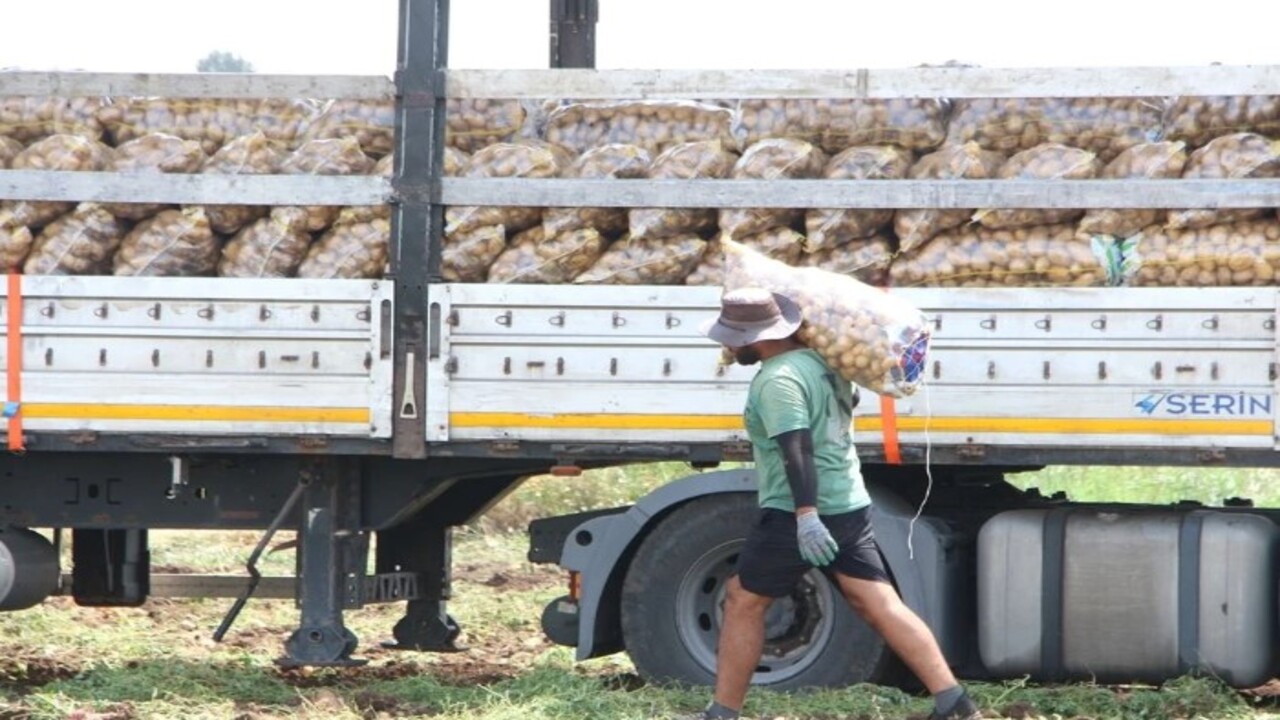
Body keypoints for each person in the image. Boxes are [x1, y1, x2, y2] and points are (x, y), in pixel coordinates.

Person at [690, 287, 981, 720]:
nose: (727, 346)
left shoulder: (778, 380)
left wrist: (806, 517)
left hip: (798, 510)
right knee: (878, 602)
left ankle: (722, 713)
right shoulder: (822, 363)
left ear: (756, 336)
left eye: (732, 336)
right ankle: (955, 703)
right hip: (848, 501)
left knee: (742, 601)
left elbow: (797, 450)